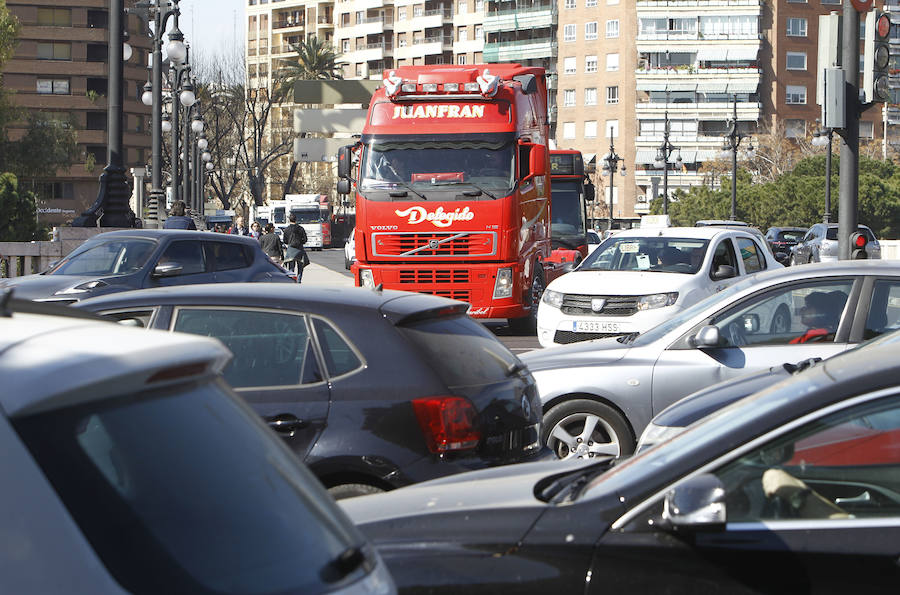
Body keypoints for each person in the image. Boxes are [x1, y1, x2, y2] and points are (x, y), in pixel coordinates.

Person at [281, 213, 308, 283]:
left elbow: (285, 241)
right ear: (296, 219)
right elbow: (305, 239)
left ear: (289, 219)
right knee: (300, 267)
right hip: (299, 249)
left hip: (291, 249)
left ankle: (292, 280)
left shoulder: (286, 229)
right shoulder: (301, 228)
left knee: (291, 267)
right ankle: (299, 280)